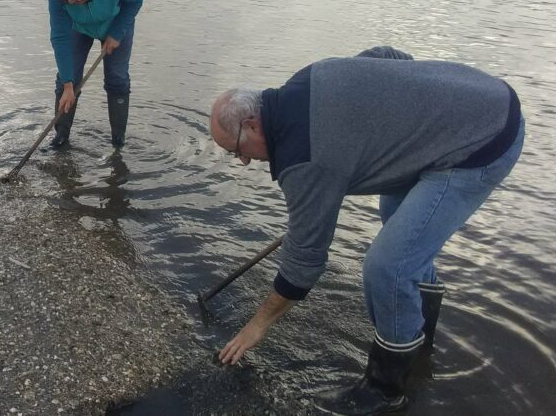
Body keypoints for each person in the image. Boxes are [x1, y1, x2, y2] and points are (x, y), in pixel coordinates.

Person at [209, 46, 524, 415]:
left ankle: (386, 390)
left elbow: (304, 262)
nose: (243, 161)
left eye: (237, 150)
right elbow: (389, 57)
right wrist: (399, 110)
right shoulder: (310, 76)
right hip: (477, 95)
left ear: (252, 125)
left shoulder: (304, 160)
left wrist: (257, 326)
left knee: (388, 266)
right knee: (396, 217)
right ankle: (420, 347)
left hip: (483, 141)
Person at [48, 0, 144, 150]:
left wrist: (117, 33)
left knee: (117, 79)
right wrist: (68, 85)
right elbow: (59, 37)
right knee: (69, 79)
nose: (69, 1)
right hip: (78, 27)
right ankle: (61, 136)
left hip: (115, 24)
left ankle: (118, 141)